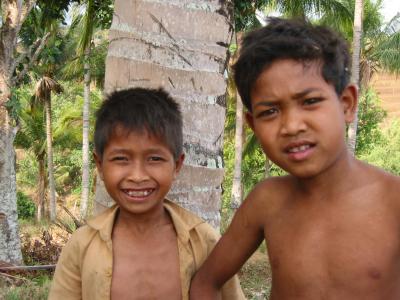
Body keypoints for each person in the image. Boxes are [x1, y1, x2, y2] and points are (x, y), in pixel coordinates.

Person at [190, 17, 400, 300]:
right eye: (270, 112)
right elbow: (205, 282)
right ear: (253, 125)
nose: (291, 125)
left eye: (310, 101)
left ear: (347, 103)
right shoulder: (267, 201)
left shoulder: (393, 200)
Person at [49, 88, 245, 300]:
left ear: (177, 165)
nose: (138, 176)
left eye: (155, 159)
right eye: (121, 159)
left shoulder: (204, 242)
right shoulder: (82, 246)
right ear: (99, 164)